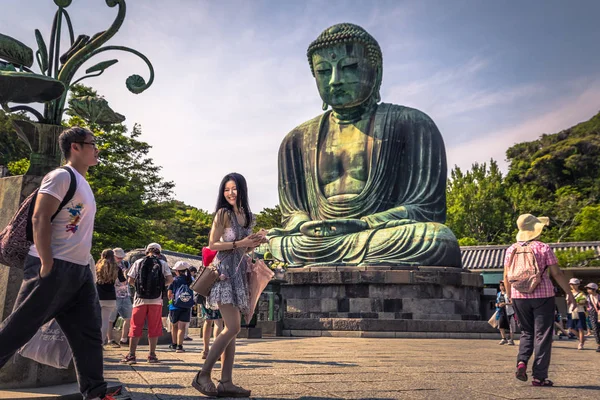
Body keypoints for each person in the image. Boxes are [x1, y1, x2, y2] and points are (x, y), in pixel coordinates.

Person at [269, 23, 461, 267]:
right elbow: (293, 214)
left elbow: (426, 210)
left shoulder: (412, 124)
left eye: (348, 67)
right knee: (271, 247)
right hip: (316, 241)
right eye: (324, 71)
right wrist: (302, 225)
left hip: (380, 233)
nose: (335, 81)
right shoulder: (295, 141)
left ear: (376, 72)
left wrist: (366, 223)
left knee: (436, 239)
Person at [0, 127, 117, 399]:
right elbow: (40, 218)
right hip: (55, 267)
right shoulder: (60, 176)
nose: (96, 149)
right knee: (19, 328)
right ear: (75, 147)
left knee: (88, 334)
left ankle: (96, 392)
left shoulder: (83, 182)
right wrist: (46, 262)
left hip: (79, 271)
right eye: (92, 144)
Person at [191, 173, 267, 397]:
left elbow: (244, 249)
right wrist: (240, 242)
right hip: (223, 273)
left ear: (242, 189)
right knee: (233, 327)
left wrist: (254, 242)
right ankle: (202, 375)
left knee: (231, 330)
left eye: (234, 189)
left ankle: (226, 382)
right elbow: (212, 244)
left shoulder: (248, 216)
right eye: (226, 189)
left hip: (239, 274)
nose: (230, 193)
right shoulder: (223, 213)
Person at [504, 214, 575, 387]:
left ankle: (521, 362)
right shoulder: (543, 248)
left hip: (519, 295)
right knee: (542, 335)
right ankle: (539, 377)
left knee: (527, 332)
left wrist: (510, 295)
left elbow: (506, 275)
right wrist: (569, 293)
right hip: (543, 295)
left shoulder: (511, 249)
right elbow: (557, 273)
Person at [121, 243, 173, 364]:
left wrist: (140, 288)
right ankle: (152, 355)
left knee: (135, 326)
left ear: (146, 251)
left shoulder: (138, 262)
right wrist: (159, 287)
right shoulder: (162, 263)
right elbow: (170, 279)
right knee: (154, 327)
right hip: (156, 300)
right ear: (159, 252)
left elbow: (130, 280)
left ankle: (131, 355)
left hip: (139, 300)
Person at [95, 249, 125, 348]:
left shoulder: (97, 266)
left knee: (95, 320)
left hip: (98, 296)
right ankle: (101, 343)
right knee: (105, 321)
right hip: (110, 297)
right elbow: (123, 282)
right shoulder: (117, 267)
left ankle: (94, 341)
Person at [167, 261, 195, 353]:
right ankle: (180, 346)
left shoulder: (174, 280)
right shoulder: (190, 280)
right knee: (182, 327)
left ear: (177, 271)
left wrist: (171, 301)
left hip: (175, 306)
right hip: (186, 305)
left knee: (174, 326)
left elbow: (169, 294)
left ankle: (174, 344)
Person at [108, 247, 132, 346]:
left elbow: (130, 276)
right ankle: (110, 339)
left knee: (128, 317)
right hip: (114, 294)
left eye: (122, 257)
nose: (120, 259)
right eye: (118, 258)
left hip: (125, 294)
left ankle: (124, 339)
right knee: (110, 318)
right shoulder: (108, 265)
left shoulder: (126, 264)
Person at [566, 278, 587, 350]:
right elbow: (568, 303)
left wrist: (580, 302)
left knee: (580, 328)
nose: (572, 286)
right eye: (571, 284)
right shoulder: (569, 292)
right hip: (571, 311)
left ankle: (581, 343)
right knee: (570, 328)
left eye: (573, 284)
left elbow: (585, 303)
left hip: (580, 311)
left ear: (577, 285)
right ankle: (582, 339)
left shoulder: (582, 293)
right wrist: (571, 300)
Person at [495, 281, 515, 345]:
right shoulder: (499, 294)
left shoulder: (509, 294)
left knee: (511, 326)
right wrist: (497, 305)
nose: (501, 287)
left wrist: (505, 304)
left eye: (503, 286)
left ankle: (511, 339)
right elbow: (496, 302)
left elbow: (512, 303)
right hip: (501, 311)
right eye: (500, 286)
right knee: (501, 325)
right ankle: (503, 338)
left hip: (510, 312)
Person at [585, 283, 600, 352]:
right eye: (587, 288)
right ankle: (599, 345)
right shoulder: (588, 297)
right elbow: (587, 305)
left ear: (594, 289)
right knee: (595, 329)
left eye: (589, 288)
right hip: (593, 314)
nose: (588, 290)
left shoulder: (599, 296)